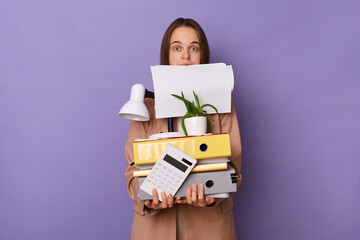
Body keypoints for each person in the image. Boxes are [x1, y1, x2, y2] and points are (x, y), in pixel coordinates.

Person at [124, 18, 242, 240]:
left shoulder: (222, 104)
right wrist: (149, 199)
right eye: (177, 47)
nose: (185, 56)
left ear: (203, 56)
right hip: (154, 228)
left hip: (209, 228)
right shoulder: (146, 105)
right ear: (167, 56)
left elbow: (234, 169)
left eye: (194, 48)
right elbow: (132, 173)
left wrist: (213, 195)